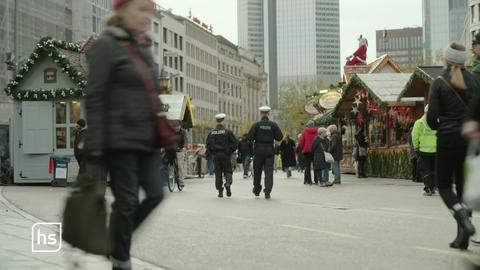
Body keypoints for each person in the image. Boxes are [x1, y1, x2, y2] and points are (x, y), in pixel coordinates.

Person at [85, 1, 166, 269]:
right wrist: (95, 147)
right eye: (140, 10)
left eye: (149, 11)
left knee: (156, 194)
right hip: (118, 139)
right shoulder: (107, 45)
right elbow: (94, 96)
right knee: (128, 201)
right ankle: (121, 259)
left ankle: (116, 240)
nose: (147, 17)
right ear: (122, 11)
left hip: (146, 139)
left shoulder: (144, 46)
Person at [427, 42, 478, 250]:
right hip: (470, 141)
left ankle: (461, 216)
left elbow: (431, 118)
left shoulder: (439, 82)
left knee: (445, 186)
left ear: (446, 59)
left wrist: (441, 126)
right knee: (464, 188)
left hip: (447, 139)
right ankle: (462, 238)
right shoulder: (475, 81)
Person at [247, 106, 283, 199]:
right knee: (269, 172)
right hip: (269, 151)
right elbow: (279, 137)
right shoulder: (273, 125)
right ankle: (267, 191)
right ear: (268, 113)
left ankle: (257, 190)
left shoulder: (256, 125)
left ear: (260, 113)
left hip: (258, 150)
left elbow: (249, 137)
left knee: (257, 171)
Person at [206, 113, 238, 198]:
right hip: (225, 155)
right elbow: (235, 143)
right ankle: (228, 183)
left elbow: (208, 145)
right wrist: (230, 150)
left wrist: (211, 153)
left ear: (216, 121)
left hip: (216, 155)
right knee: (228, 171)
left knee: (218, 173)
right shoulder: (228, 132)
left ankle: (220, 190)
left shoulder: (212, 133)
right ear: (223, 120)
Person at [411, 105, 437, 196]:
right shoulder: (438, 122)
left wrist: (416, 147)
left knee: (425, 170)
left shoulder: (419, 123)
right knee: (434, 169)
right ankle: (433, 187)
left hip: (423, 151)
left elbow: (414, 136)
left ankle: (428, 188)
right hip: (436, 151)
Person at [300, 120, 319, 185]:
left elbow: (302, 141)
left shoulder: (304, 131)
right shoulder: (317, 131)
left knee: (307, 166)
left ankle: (309, 181)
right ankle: (316, 180)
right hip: (315, 150)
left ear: (308, 125)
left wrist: (303, 148)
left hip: (307, 151)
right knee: (315, 166)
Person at [173, 121, 187, 187]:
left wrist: (184, 147)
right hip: (172, 149)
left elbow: (185, 140)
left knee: (180, 166)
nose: (176, 128)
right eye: (175, 127)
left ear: (180, 126)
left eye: (177, 127)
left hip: (180, 150)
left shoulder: (183, 132)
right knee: (164, 162)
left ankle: (181, 181)